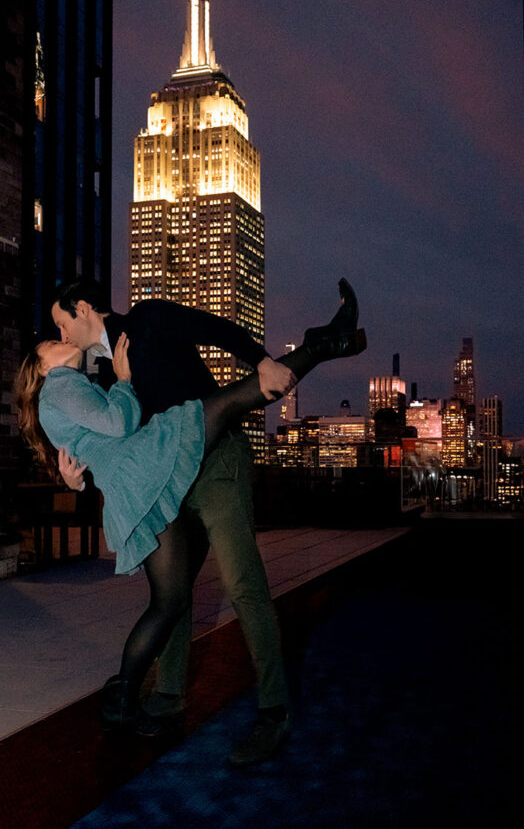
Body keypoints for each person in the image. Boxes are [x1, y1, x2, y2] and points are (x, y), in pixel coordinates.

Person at [45, 278, 365, 764]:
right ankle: (169, 696)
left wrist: (260, 360)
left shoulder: (145, 319)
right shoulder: (114, 377)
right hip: (170, 480)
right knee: (173, 595)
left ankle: (273, 712)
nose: (61, 333)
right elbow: (115, 448)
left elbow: (211, 326)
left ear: (84, 308)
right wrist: (76, 480)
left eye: (61, 322)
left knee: (243, 585)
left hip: (217, 464)